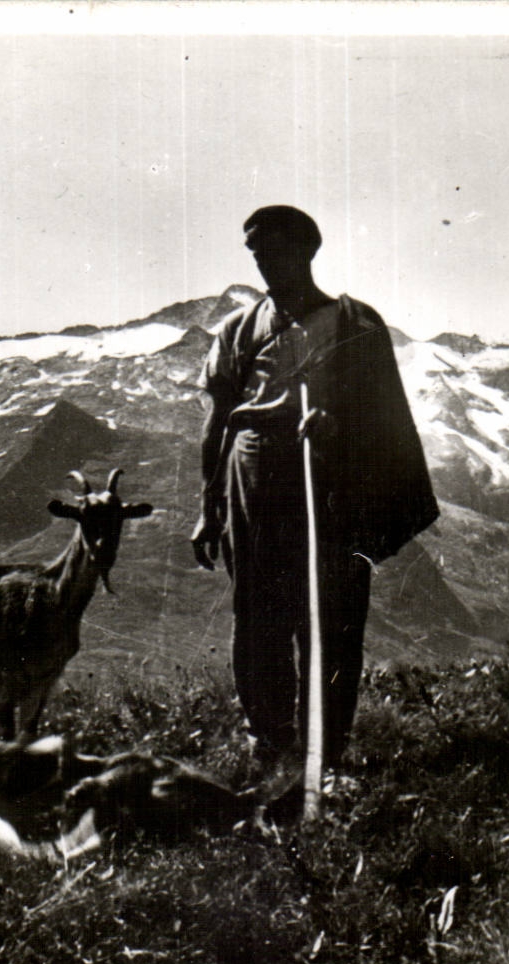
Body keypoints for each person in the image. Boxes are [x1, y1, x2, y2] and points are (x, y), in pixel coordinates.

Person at [191, 205, 438, 810]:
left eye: (275, 253)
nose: (265, 265)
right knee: (257, 618)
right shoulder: (238, 331)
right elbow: (217, 422)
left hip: (330, 488)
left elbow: (384, 421)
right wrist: (209, 505)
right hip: (252, 484)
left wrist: (335, 427)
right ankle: (270, 742)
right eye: (256, 256)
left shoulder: (355, 324)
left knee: (330, 619)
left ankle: (324, 752)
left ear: (307, 252)